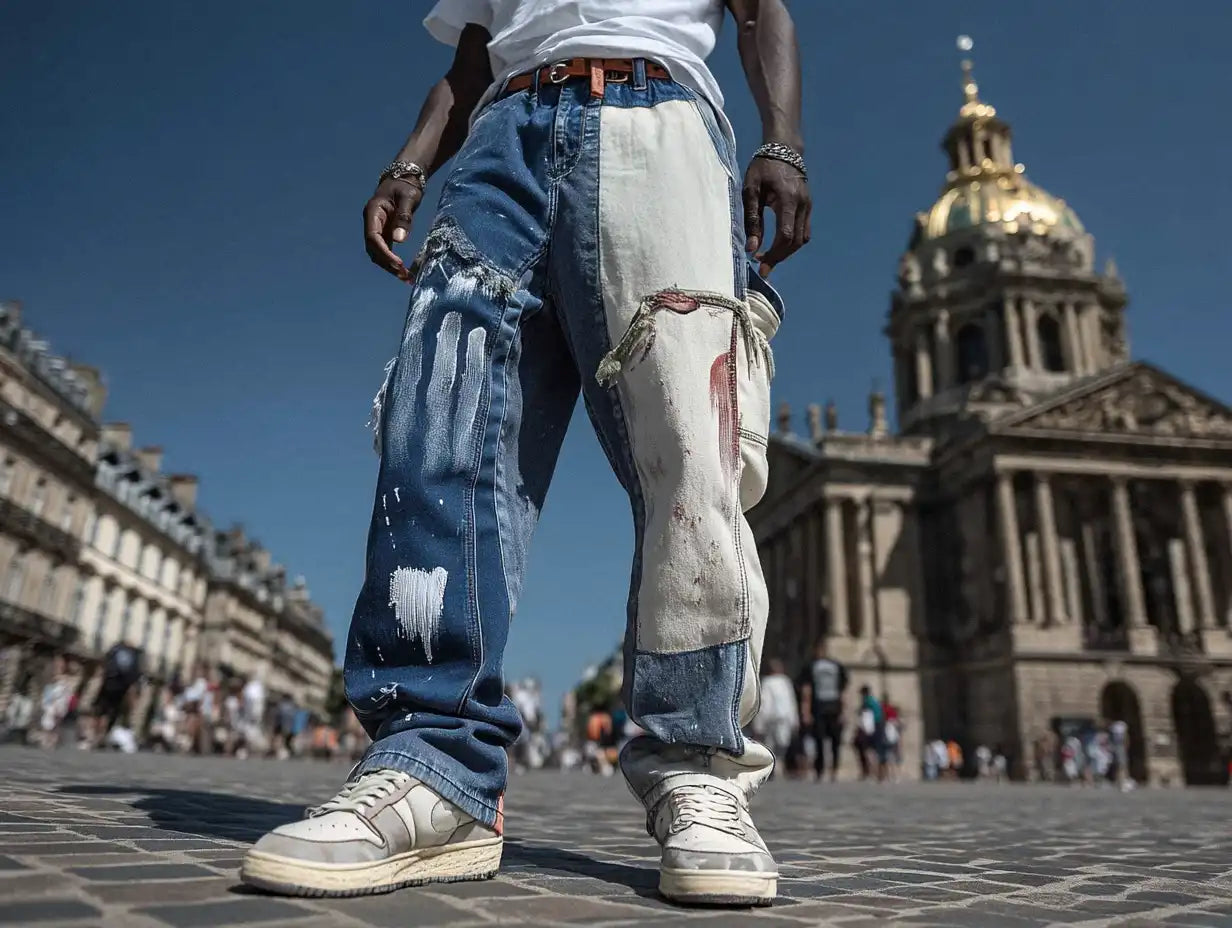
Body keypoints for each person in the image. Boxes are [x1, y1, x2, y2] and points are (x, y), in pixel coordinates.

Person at [242, 0, 809, 906]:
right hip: (501, 139)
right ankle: (433, 765)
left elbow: (760, 12)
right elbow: (470, 61)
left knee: (692, 446)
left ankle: (698, 764)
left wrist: (781, 143)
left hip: (658, 112)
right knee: (443, 420)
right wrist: (411, 160)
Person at [798, 640, 848, 782]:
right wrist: (843, 711)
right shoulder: (835, 666)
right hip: (829, 707)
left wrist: (805, 712)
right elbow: (842, 691)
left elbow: (806, 692)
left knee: (824, 741)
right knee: (831, 742)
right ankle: (829, 771)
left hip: (822, 707)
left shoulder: (812, 666)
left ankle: (825, 771)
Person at [90, 642, 142, 748]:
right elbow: (133, 679)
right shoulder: (134, 656)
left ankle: (95, 736)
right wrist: (132, 698)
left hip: (107, 685)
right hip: (120, 690)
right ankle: (101, 737)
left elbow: (104, 664)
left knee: (99, 712)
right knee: (109, 714)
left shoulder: (116, 649)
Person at [752, 659, 798, 772]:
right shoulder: (768, 682)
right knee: (771, 743)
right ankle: (772, 766)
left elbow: (790, 701)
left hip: (783, 718)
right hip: (772, 719)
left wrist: (794, 718)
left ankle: (776, 763)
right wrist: (760, 722)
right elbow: (765, 702)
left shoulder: (785, 681)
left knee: (781, 742)